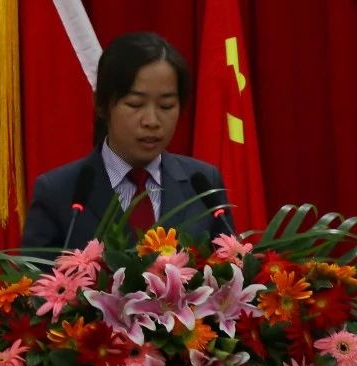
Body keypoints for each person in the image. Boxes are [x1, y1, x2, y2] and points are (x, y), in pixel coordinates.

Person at [20, 31, 233, 251]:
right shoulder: (59, 192)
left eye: (166, 106)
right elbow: (37, 273)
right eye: (135, 104)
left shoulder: (203, 184)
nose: (152, 121)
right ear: (101, 104)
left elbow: (230, 266)